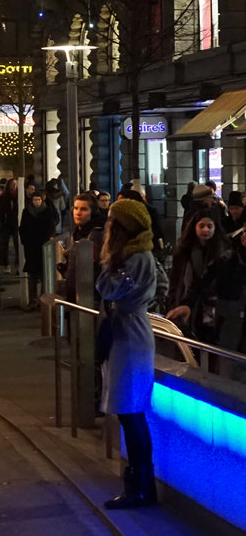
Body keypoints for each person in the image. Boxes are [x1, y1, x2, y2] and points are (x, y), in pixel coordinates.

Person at [98, 198, 159, 509]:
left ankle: (141, 485)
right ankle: (140, 481)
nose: (107, 226)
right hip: (129, 331)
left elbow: (108, 289)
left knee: (131, 411)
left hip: (131, 335)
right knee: (129, 411)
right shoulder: (136, 256)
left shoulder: (135, 258)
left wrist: (107, 265)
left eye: (112, 222)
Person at [164, 207, 228, 343]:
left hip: (211, 307)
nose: (206, 230)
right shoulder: (183, 252)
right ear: (194, 227)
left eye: (210, 226)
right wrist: (172, 303)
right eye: (202, 226)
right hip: (185, 301)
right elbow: (175, 281)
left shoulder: (221, 253)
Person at [58, 193, 104, 304]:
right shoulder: (78, 232)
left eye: (84, 209)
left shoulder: (97, 234)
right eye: (76, 208)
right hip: (76, 293)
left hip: (90, 297)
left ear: (92, 212)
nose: (78, 213)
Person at [19, 192, 59, 306]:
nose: (36, 202)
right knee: (32, 274)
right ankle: (33, 299)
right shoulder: (27, 212)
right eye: (35, 200)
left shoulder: (47, 211)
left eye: (38, 200)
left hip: (43, 245)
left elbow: (51, 225)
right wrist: (25, 240)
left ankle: (42, 299)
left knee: (43, 273)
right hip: (31, 246)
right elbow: (23, 227)